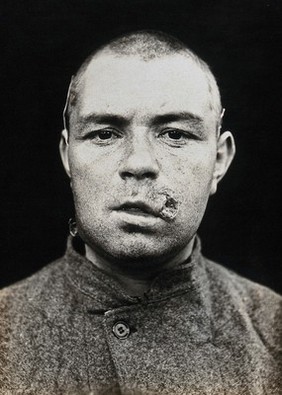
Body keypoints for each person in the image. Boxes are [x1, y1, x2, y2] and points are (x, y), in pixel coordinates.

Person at [0, 30, 281, 395]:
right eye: (105, 134)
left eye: (175, 134)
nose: (139, 163)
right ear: (68, 155)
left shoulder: (273, 333)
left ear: (219, 160)